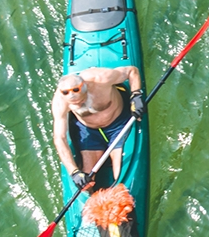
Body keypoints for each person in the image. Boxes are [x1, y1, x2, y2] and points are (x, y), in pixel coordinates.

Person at [53, 64, 143, 192]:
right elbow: (59, 138)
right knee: (84, 185)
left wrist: (136, 95)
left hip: (118, 124)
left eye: (80, 101)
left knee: (121, 175)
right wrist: (74, 172)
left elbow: (132, 71)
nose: (78, 105)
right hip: (89, 131)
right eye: (74, 105)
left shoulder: (100, 79)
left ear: (86, 87)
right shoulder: (60, 101)